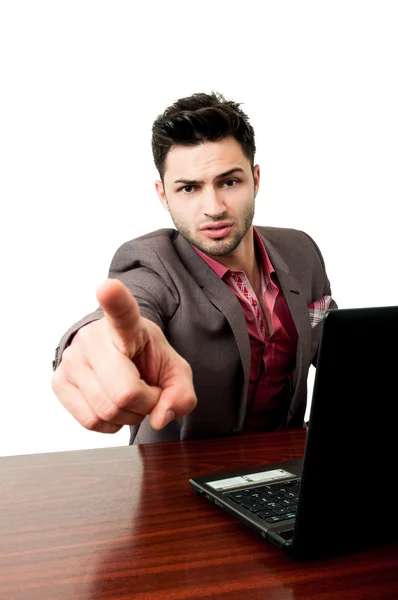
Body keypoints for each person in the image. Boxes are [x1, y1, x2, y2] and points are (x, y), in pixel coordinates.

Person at [52, 91, 337, 444]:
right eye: (189, 188)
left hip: (288, 474)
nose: (213, 207)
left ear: (256, 179)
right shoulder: (151, 262)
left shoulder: (301, 251)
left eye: (229, 182)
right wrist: (92, 341)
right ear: (163, 195)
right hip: (179, 482)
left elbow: (338, 354)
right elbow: (130, 312)